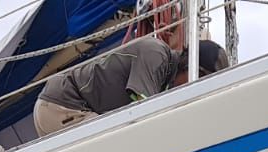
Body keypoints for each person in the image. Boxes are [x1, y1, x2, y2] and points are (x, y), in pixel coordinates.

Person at [34, 36, 230, 137]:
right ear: (191, 66)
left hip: (69, 108)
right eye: (200, 81)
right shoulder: (156, 54)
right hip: (63, 105)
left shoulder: (163, 79)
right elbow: (143, 112)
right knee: (114, 146)